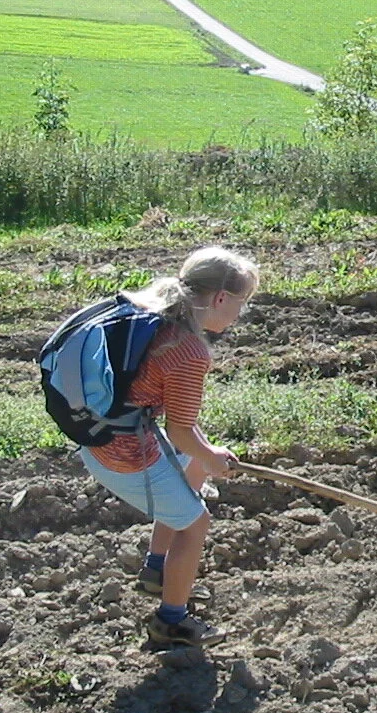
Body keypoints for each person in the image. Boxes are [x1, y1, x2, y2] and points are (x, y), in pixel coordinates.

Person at [79, 246, 257, 648]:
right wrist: (211, 456)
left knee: (194, 468)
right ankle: (170, 623)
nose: (239, 314)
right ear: (220, 299)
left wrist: (206, 455)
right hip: (124, 452)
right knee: (196, 524)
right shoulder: (190, 352)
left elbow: (183, 430)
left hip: (102, 434)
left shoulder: (158, 312)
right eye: (241, 303)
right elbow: (179, 433)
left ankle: (158, 570)